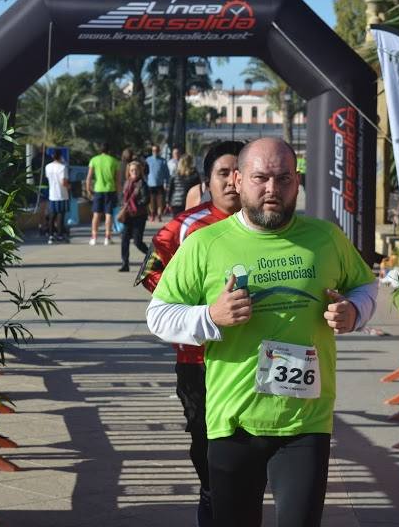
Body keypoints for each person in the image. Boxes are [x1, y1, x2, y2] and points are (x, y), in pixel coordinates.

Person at [146, 137, 378, 527]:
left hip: (304, 420)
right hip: (233, 421)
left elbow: (367, 285)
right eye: (261, 178)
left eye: (284, 178)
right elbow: (159, 316)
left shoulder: (325, 237)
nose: (273, 189)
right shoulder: (204, 244)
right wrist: (210, 316)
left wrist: (355, 311)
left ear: (297, 181)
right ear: (238, 179)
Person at [137, 140, 244, 526]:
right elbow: (151, 275)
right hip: (198, 359)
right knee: (205, 439)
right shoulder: (183, 228)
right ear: (207, 180)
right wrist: (203, 311)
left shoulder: (270, 224)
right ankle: (212, 501)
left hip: (255, 358)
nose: (232, 182)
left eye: (238, 173)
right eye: (222, 174)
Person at [86, 143, 121, 246]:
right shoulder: (114, 161)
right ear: (109, 151)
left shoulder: (94, 160)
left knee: (96, 214)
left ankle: (94, 237)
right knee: (108, 215)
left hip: (98, 189)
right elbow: (118, 179)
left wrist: (88, 188)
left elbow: (89, 176)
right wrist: (119, 192)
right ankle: (107, 237)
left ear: (100, 150)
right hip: (110, 190)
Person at [119, 161, 150, 272]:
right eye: (132, 170)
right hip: (128, 215)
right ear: (129, 172)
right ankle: (125, 263)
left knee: (137, 241)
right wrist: (124, 206)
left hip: (139, 215)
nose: (134, 172)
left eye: (136, 170)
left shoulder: (143, 184)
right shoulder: (127, 183)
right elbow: (122, 197)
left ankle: (152, 256)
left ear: (140, 171)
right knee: (124, 239)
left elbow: (146, 200)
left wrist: (135, 205)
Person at [45, 149, 71, 244]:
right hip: (62, 195)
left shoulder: (47, 167)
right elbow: (64, 182)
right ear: (60, 156)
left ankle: (51, 235)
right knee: (61, 215)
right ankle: (60, 235)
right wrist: (69, 187)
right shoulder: (62, 167)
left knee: (52, 216)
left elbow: (48, 178)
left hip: (52, 194)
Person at [145, 144, 169, 222]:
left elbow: (166, 173)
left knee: (160, 202)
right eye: (153, 150)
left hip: (160, 184)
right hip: (150, 184)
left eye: (156, 150)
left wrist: (166, 183)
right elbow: (144, 172)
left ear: (159, 151)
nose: (155, 152)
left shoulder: (163, 161)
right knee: (151, 202)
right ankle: (152, 215)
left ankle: (159, 215)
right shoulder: (148, 160)